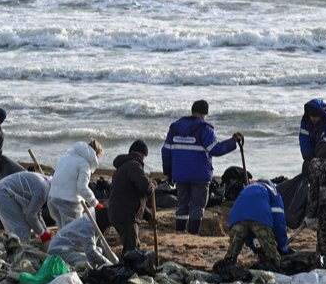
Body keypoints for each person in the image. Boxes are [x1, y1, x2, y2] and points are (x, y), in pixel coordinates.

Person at [161, 99, 242, 235]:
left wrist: (168, 173)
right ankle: (192, 234)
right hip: (199, 176)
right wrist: (233, 142)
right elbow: (216, 149)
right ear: (204, 114)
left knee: (182, 205)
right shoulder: (204, 129)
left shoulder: (175, 128)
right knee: (197, 207)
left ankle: (180, 233)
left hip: (180, 175)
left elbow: (165, 152)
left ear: (192, 111)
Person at [218, 180, 290, 270]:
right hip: (260, 217)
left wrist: (256, 247)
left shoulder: (246, 190)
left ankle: (228, 263)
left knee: (233, 251)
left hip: (236, 218)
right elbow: (279, 221)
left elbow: (248, 233)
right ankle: (275, 265)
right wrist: (283, 245)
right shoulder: (273, 192)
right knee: (273, 258)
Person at [106, 140, 155, 255]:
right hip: (125, 215)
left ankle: (125, 268)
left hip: (118, 213)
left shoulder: (123, 167)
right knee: (132, 251)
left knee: (132, 247)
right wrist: (152, 185)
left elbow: (135, 199)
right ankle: (127, 271)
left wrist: (149, 218)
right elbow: (144, 187)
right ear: (141, 154)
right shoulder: (134, 165)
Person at [47, 139, 103, 230]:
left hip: (52, 199)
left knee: (62, 232)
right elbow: (82, 187)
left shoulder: (65, 158)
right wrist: (95, 203)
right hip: (68, 203)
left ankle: (60, 244)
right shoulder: (84, 164)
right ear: (95, 155)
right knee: (73, 233)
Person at [0, 171, 51, 244]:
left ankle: (17, 248)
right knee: (21, 229)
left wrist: (45, 230)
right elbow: (30, 216)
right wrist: (42, 233)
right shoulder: (43, 191)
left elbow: (37, 213)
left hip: (1, 189)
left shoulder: (46, 183)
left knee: (20, 229)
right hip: (2, 193)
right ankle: (21, 253)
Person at [47, 212, 115, 269]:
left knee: (99, 250)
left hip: (71, 247)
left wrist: (114, 262)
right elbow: (91, 252)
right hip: (59, 250)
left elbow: (102, 245)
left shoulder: (94, 223)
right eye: (108, 227)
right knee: (91, 262)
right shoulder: (87, 227)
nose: (108, 231)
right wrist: (109, 265)